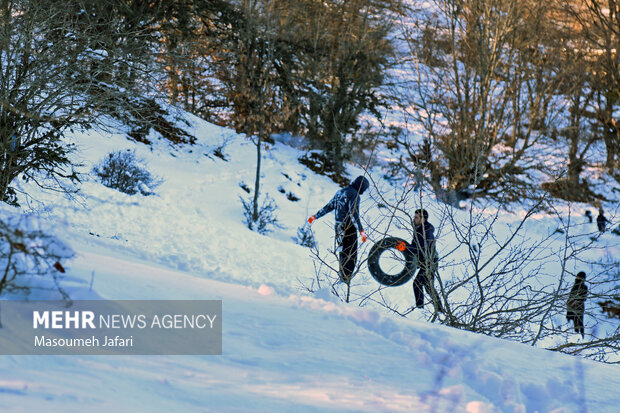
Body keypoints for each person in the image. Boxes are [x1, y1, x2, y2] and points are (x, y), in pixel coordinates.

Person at [308, 176, 369, 283]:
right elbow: (353, 213)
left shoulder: (340, 192)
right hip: (348, 227)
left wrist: (315, 216)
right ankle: (346, 279)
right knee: (351, 253)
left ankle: (342, 276)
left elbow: (329, 206)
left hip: (338, 226)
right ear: (361, 186)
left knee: (342, 252)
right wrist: (361, 231)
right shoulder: (354, 194)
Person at [407, 209, 444, 313]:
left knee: (417, 283)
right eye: (414, 216)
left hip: (430, 262)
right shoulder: (418, 229)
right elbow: (415, 246)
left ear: (423, 219)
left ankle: (420, 310)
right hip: (425, 262)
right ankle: (440, 311)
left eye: (417, 217)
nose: (414, 219)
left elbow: (422, 248)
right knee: (428, 287)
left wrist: (406, 248)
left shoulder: (427, 232)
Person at [567, 271, 587, 338]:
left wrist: (575, 301)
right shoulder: (575, 285)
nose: (577, 278)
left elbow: (583, 298)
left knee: (579, 322)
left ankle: (580, 338)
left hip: (578, 307)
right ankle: (575, 337)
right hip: (571, 306)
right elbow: (570, 297)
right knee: (572, 322)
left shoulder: (583, 287)